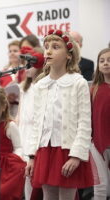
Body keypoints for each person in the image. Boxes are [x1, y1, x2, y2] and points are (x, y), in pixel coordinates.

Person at [25, 29, 94, 200]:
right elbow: (37, 124)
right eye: (46, 46)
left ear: (69, 55)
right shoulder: (41, 84)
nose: (48, 51)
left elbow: (85, 123)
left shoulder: (78, 82)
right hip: (45, 151)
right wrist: (32, 156)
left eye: (55, 47)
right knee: (48, 196)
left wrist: (76, 156)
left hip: (68, 150)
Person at [17, 47, 44, 200]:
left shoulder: (42, 87)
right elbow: (19, 114)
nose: (26, 68)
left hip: (35, 133)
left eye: (30, 65)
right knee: (24, 175)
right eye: (25, 64)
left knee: (32, 175)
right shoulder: (24, 87)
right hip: (23, 132)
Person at [90, 48, 110, 200]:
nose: (105, 63)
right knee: (100, 184)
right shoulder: (93, 89)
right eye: (102, 61)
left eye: (109, 60)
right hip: (97, 143)